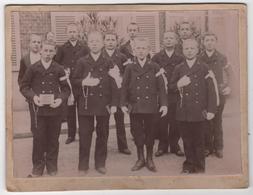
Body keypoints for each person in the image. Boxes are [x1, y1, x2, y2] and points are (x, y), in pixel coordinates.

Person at [20, 40, 70, 177]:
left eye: (51, 51)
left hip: (55, 110)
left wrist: (60, 99)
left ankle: (52, 166)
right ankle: (37, 167)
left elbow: (66, 89)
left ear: (55, 52)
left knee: (53, 139)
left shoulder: (59, 69)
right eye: (45, 50)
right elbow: (24, 87)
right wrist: (33, 97)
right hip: (38, 111)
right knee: (38, 138)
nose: (48, 54)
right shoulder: (33, 68)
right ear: (41, 51)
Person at [72, 31, 118, 175]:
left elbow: (115, 84)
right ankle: (83, 165)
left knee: (103, 134)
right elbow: (73, 81)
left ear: (102, 43)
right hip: (86, 104)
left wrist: (114, 103)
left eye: (97, 41)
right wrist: (84, 82)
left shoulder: (108, 62)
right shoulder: (81, 61)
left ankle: (100, 163)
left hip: (104, 104)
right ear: (88, 43)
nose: (94, 43)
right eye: (91, 41)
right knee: (85, 135)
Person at [169, 39, 218, 173]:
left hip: (199, 111)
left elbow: (211, 91)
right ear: (182, 50)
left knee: (199, 141)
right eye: (186, 49)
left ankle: (200, 166)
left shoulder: (204, 68)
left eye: (192, 48)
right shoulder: (178, 68)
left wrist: (211, 110)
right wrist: (179, 84)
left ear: (197, 50)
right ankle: (189, 164)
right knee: (187, 141)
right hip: (183, 111)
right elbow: (171, 87)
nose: (189, 51)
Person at [120, 37, 168, 172]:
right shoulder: (129, 67)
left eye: (144, 48)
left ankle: (149, 158)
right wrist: (123, 103)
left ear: (148, 50)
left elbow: (161, 87)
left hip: (151, 106)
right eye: (138, 49)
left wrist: (164, 104)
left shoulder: (155, 67)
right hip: (135, 106)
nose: (141, 51)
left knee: (150, 133)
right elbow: (124, 87)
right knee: (137, 133)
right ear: (134, 51)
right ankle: (140, 158)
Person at [199, 32, 234, 158]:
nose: (209, 42)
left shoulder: (222, 57)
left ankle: (219, 147)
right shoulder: (199, 58)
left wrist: (229, 87)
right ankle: (207, 147)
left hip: (219, 94)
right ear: (203, 42)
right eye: (207, 40)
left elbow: (231, 74)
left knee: (217, 121)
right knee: (206, 121)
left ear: (216, 42)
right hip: (205, 95)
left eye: (212, 40)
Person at [55, 23, 89, 144]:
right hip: (68, 84)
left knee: (81, 109)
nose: (72, 34)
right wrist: (64, 70)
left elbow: (89, 62)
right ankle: (71, 135)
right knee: (70, 110)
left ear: (78, 32)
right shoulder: (62, 48)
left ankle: (83, 133)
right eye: (70, 32)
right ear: (66, 33)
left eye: (74, 31)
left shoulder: (84, 47)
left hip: (80, 83)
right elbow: (56, 64)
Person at [152, 31, 185, 157]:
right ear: (162, 41)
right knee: (162, 120)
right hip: (162, 94)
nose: (169, 40)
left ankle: (175, 145)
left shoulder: (181, 58)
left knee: (175, 120)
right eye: (166, 38)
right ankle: (162, 145)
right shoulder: (156, 57)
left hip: (176, 93)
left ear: (176, 41)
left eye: (171, 38)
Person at [102, 31, 131, 155]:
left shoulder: (122, 57)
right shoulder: (99, 56)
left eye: (112, 39)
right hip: (104, 94)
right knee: (103, 122)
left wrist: (119, 77)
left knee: (120, 120)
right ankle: (102, 146)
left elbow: (127, 74)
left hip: (118, 93)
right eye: (107, 39)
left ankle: (123, 146)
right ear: (104, 41)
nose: (110, 42)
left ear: (116, 42)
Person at [18, 34, 42, 134]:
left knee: (45, 121)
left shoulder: (45, 57)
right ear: (29, 44)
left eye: (39, 42)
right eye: (34, 42)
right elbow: (21, 79)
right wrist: (27, 94)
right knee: (35, 120)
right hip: (32, 95)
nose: (36, 44)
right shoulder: (24, 60)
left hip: (46, 94)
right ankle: (37, 144)